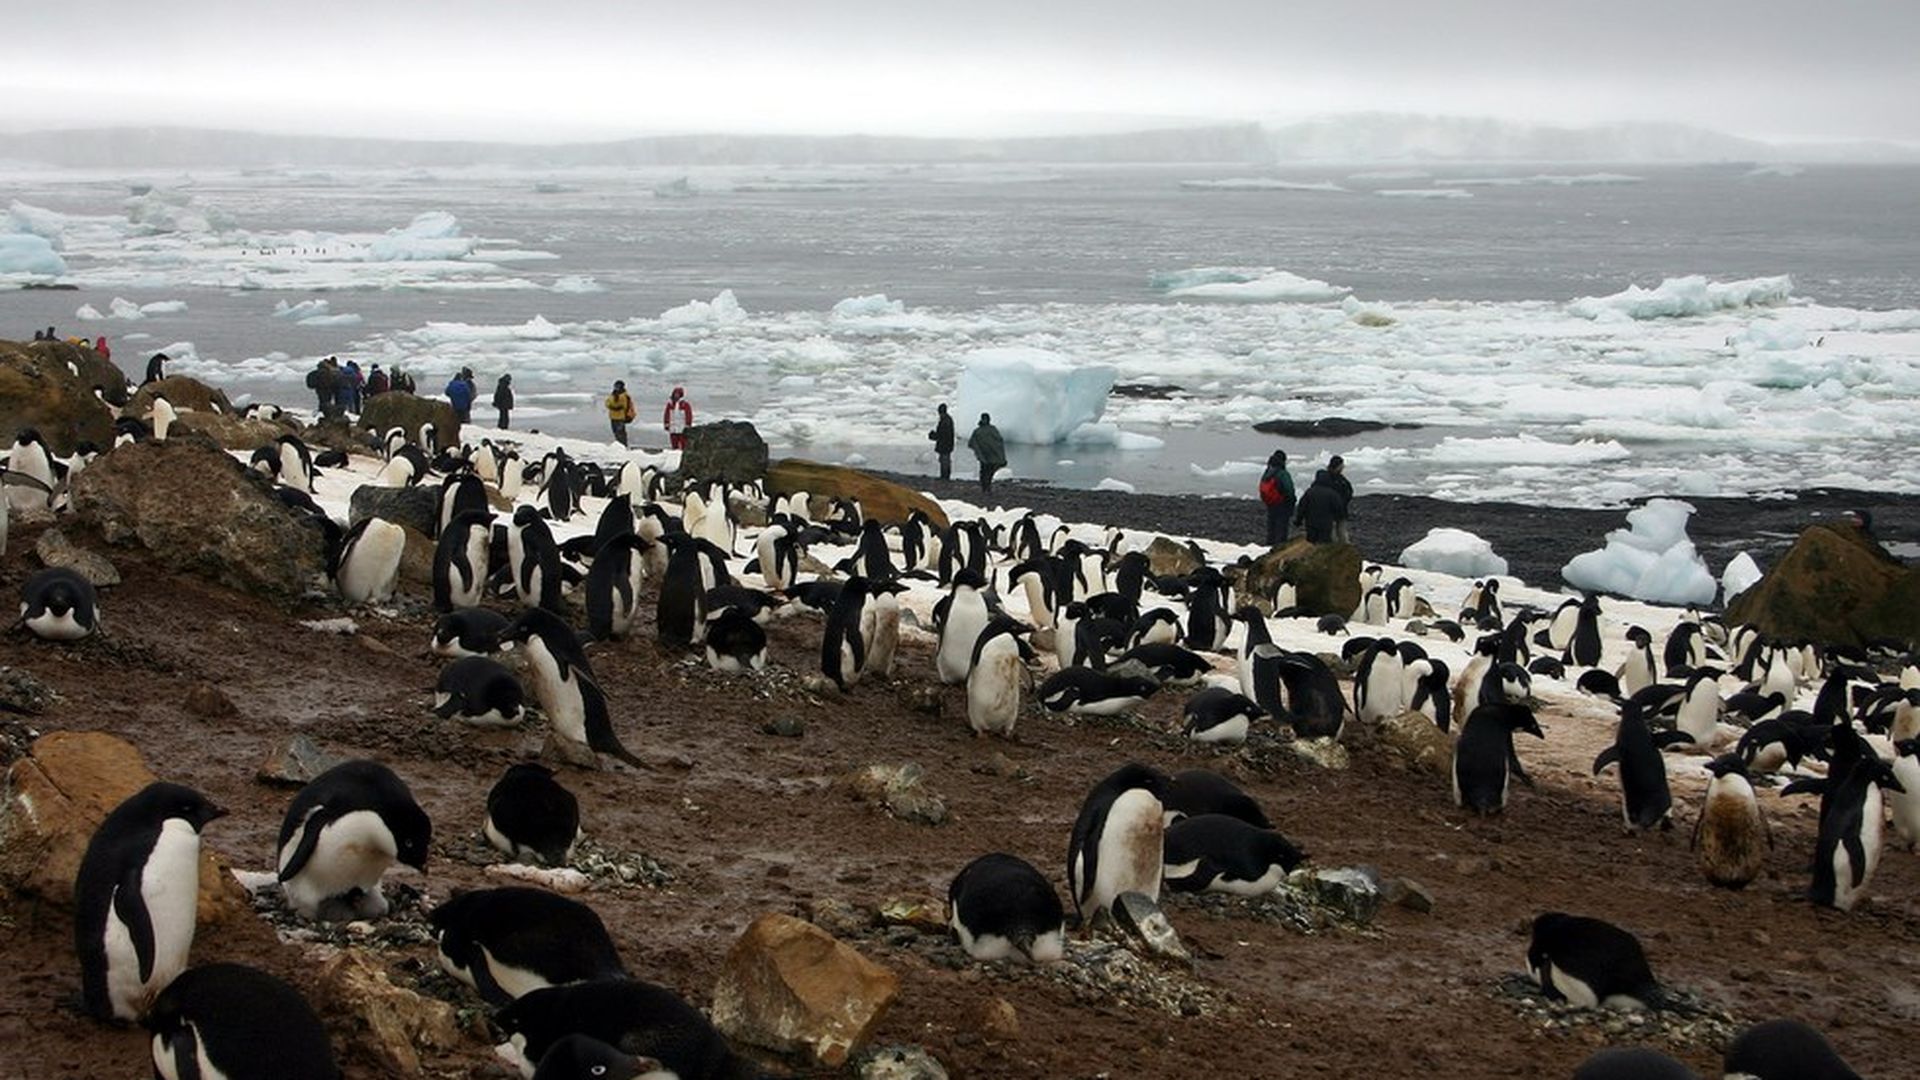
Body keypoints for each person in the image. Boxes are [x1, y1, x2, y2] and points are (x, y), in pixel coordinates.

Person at [1293, 466, 1349, 544]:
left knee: (1311, 543)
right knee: (1325, 543)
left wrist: (1298, 520)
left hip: (1311, 523)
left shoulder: (1309, 492)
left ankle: (1312, 554)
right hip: (1326, 524)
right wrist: (1340, 518)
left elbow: (1302, 507)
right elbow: (1338, 508)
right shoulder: (1332, 493)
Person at [1258, 449, 1296, 546]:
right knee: (1281, 528)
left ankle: (1268, 546)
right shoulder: (1282, 473)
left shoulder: (1267, 472)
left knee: (1271, 527)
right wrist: (1292, 501)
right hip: (1282, 504)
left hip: (1270, 503)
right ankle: (1279, 548)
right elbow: (1289, 490)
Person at [967, 412, 1006, 497]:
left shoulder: (977, 431)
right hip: (994, 457)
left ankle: (985, 488)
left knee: (984, 472)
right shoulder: (993, 430)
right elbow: (999, 442)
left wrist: (979, 452)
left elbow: (971, 443)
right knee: (989, 473)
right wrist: (1001, 457)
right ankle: (987, 488)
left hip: (984, 457)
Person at [1326, 455, 1354, 543]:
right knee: (1338, 531)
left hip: (1334, 509)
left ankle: (1340, 549)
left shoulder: (1327, 478)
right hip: (1335, 509)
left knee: (1337, 531)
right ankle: (1341, 549)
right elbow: (1349, 492)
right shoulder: (1340, 480)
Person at [928, 403, 956, 481]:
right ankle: (945, 476)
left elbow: (943, 434)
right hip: (948, 444)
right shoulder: (947, 419)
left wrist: (934, 436)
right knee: (944, 460)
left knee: (944, 460)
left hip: (945, 444)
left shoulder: (945, 421)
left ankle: (945, 476)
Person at [606, 380, 636, 447]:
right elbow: (607, 403)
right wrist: (612, 406)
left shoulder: (624, 396)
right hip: (613, 417)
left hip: (620, 417)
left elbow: (622, 405)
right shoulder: (612, 395)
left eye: (618, 386)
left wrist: (613, 406)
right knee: (616, 432)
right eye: (616, 386)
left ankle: (623, 445)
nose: (616, 388)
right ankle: (619, 446)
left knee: (620, 433)